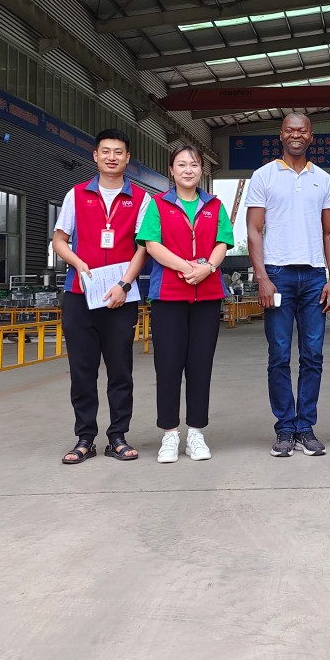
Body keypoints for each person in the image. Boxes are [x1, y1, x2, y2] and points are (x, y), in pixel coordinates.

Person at [52, 130, 150, 464]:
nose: (112, 157)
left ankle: (118, 437)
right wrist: (78, 263)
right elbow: (59, 239)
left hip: (121, 297)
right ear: (95, 156)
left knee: (120, 370)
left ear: (127, 158)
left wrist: (124, 285)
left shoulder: (141, 199)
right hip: (80, 294)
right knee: (82, 370)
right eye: (105, 151)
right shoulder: (77, 194)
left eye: (118, 152)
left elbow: (143, 247)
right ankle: (84, 438)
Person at [246, 113, 330, 457]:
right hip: (277, 275)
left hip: (314, 277)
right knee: (279, 355)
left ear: (311, 136)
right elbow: (253, 229)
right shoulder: (263, 176)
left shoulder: (323, 179)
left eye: (302, 130)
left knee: (313, 355)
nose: (296, 135)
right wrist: (262, 277)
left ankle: (305, 427)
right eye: (290, 130)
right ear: (281, 134)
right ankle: (285, 428)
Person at [137, 145, 234, 464]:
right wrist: (186, 267)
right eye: (181, 164)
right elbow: (152, 244)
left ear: (201, 170)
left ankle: (195, 433)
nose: (188, 170)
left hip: (207, 296)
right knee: (167, 365)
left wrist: (208, 268)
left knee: (200, 365)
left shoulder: (214, 205)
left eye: (193, 164)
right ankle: (169, 434)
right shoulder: (158, 205)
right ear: (172, 170)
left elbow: (223, 242)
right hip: (168, 296)